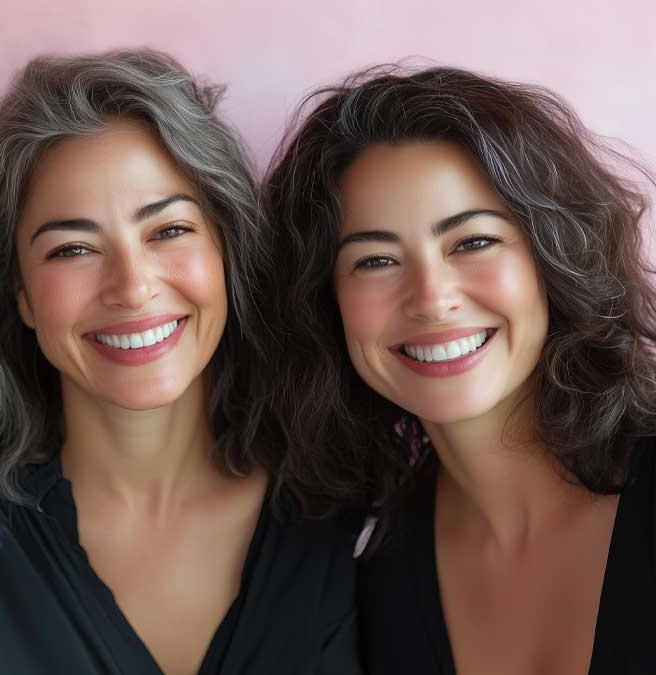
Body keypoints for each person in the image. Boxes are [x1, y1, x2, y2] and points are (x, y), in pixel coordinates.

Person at [0, 50, 361, 674]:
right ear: (22, 296)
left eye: (168, 231)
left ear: (227, 250)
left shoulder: (343, 512)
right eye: (73, 248)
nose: (132, 286)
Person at [263, 65, 656, 674]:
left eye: (472, 242)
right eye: (375, 261)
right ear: (326, 304)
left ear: (552, 256)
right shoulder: (368, 578)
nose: (431, 297)